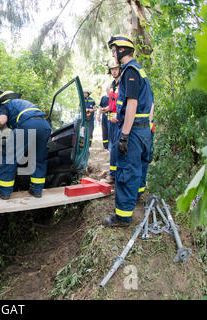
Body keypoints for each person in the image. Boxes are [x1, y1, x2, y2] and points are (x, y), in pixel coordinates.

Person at [103, 34, 153, 227]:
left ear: (121, 50)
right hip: (143, 130)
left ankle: (122, 217)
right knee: (139, 168)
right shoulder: (139, 71)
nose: (113, 54)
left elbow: (132, 103)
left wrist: (124, 134)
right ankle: (136, 198)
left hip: (133, 131)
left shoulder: (130, 71)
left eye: (114, 50)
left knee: (126, 172)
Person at [0, 91, 52, 200]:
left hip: (28, 125)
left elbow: (2, 121)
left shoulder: (5, 105)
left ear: (2, 100)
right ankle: (37, 191)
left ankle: (4, 191)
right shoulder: (24, 103)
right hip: (45, 126)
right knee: (39, 159)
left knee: (10, 157)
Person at [102, 59, 121, 184]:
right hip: (111, 120)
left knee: (116, 148)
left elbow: (124, 104)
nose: (114, 71)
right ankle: (113, 174)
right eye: (112, 69)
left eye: (116, 69)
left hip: (119, 121)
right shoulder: (112, 85)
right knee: (112, 147)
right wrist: (106, 109)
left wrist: (118, 116)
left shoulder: (122, 84)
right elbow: (113, 104)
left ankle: (113, 175)